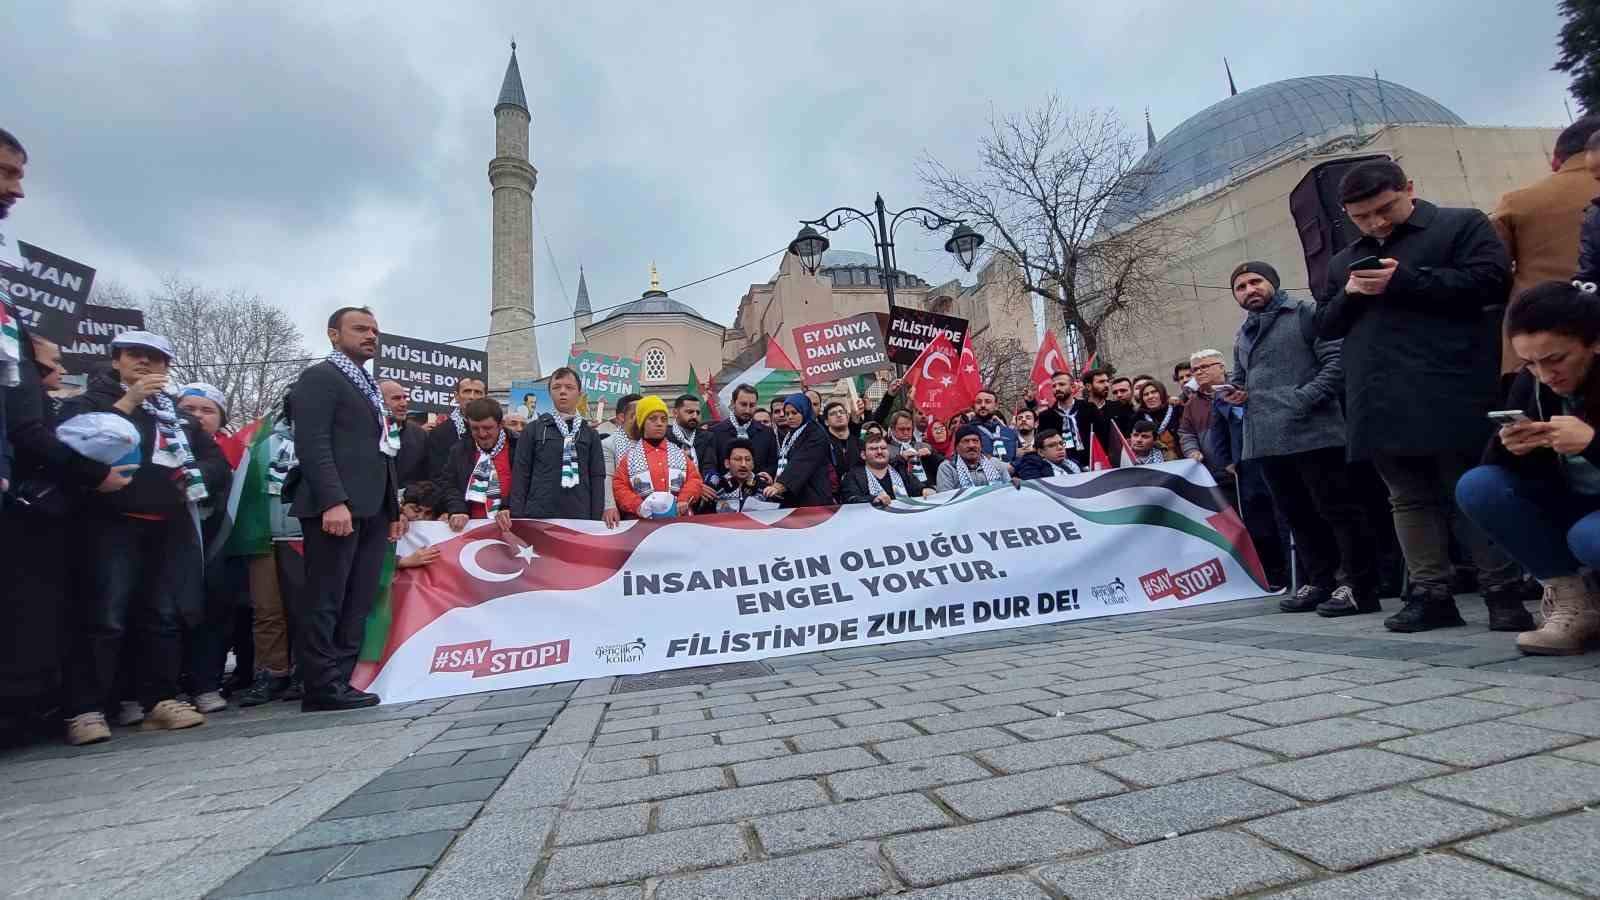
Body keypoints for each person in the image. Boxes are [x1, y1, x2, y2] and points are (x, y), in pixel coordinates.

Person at [1315, 159, 1529, 633]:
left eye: (1384, 209)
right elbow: (1324, 325)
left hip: (1449, 381)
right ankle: (1431, 594)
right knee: (1407, 498)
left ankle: (1503, 592)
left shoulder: (1461, 225)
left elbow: (1492, 282)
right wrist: (1350, 292)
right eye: (1362, 217)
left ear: (1409, 188)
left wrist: (1405, 280)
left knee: (1469, 490)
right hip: (1377, 392)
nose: (1376, 223)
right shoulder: (1343, 259)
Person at [60, 330, 230, 744]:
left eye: (156, 359)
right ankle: (86, 708)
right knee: (106, 617)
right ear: (116, 360)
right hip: (109, 523)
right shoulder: (89, 402)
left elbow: (216, 463)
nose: (145, 365)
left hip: (166, 525)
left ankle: (161, 699)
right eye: (136, 356)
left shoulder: (176, 416)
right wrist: (130, 402)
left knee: (162, 617)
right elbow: (74, 448)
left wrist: (193, 479)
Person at [1230, 261, 1381, 617]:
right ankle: (1320, 581)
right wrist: (1234, 392)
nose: (1249, 290)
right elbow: (1240, 380)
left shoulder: (1306, 313)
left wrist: (1303, 399)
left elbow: (1337, 364)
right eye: (1240, 286)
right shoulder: (1243, 333)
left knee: (1337, 511)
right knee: (1297, 515)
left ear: (1274, 282)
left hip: (1314, 433)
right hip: (1265, 439)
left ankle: (1358, 585)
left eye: (1256, 282)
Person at [0, 334, 131, 744]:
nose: (59, 371)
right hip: (31, 514)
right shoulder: (32, 401)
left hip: (53, 517)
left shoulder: (50, 403)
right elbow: (32, 437)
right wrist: (92, 473)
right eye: (49, 364)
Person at [1458, 281, 1600, 654]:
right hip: (1573, 504)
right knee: (1479, 485)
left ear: (1594, 342)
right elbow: (1495, 471)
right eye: (1530, 363)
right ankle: (1574, 603)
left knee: (1590, 537)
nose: (1545, 374)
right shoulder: (1533, 381)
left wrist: (1593, 443)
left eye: (1556, 360)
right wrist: (1511, 447)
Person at [288, 307, 402, 712]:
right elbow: (313, 444)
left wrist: (393, 508)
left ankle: (342, 677)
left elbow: (381, 451)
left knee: (359, 597)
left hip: (372, 511)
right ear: (334, 334)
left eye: (374, 330)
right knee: (327, 597)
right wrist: (333, 501)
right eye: (360, 329)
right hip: (337, 509)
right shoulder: (321, 378)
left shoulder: (367, 386)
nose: (371, 335)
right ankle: (320, 683)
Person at [1491, 116, 1600, 386]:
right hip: (1586, 344)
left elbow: (1494, 273)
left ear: (1556, 159)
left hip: (1537, 349)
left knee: (1536, 426)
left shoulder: (1517, 202)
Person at [176, 382, 246, 714]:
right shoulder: (163, 446)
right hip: (172, 543)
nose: (197, 417)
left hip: (219, 543)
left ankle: (207, 683)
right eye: (188, 409)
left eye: (207, 410)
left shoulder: (237, 453)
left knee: (215, 612)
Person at [236, 390, 302, 707]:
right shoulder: (263, 445)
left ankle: (305, 670)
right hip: (265, 537)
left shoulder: (322, 442)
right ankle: (272, 673)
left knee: (306, 610)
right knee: (267, 611)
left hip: (305, 537)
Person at [510, 367, 605, 521]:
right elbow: (521, 474)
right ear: (550, 393)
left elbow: (597, 478)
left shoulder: (590, 434)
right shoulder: (534, 429)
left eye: (569, 387)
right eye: (556, 387)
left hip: (579, 516)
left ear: (579, 394)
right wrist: (518, 516)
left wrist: (595, 519)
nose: (562, 391)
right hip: (539, 515)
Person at [614, 395, 702, 518]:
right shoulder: (630, 458)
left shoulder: (679, 453)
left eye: (663, 419)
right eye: (653, 419)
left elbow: (694, 479)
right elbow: (620, 487)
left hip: (679, 521)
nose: (659, 423)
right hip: (644, 525)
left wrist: (684, 499)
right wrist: (638, 506)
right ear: (642, 423)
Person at [441, 397, 517, 531]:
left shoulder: (519, 447)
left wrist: (509, 507)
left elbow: (526, 483)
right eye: (475, 428)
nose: (482, 434)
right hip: (471, 528)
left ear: (501, 425)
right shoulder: (459, 450)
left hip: (512, 525)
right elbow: (449, 484)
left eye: (487, 428)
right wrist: (458, 509)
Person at [761, 393, 833, 508]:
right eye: (787, 413)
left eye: (794, 413)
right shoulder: (792, 433)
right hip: (795, 496)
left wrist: (779, 486)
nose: (789, 417)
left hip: (813, 498)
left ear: (804, 411)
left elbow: (802, 462)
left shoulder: (815, 433)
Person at [709, 383, 777, 485]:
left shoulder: (767, 432)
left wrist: (765, 475)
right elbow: (711, 465)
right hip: (723, 494)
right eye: (743, 404)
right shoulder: (715, 432)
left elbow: (772, 464)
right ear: (732, 403)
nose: (748, 410)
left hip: (757, 493)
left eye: (752, 405)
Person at [424, 377, 487, 478]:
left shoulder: (497, 430)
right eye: (466, 391)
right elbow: (438, 475)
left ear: (485, 397)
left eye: (478, 392)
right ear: (456, 396)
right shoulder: (440, 433)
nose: (472, 397)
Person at [843, 432, 929, 505]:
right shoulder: (853, 475)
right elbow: (850, 499)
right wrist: (873, 499)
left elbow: (918, 488)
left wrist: (925, 490)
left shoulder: (899, 470)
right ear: (863, 455)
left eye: (883, 448)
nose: (879, 452)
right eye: (873, 449)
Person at [599, 393, 640, 529]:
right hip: (622, 513)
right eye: (638, 413)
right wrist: (609, 506)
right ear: (622, 417)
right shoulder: (608, 444)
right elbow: (607, 477)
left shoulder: (652, 442)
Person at [379, 380, 428, 486]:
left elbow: (425, 475)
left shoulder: (420, 435)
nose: (403, 404)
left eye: (405, 398)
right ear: (380, 401)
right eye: (396, 398)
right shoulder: (368, 431)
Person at [713, 438, 780, 513]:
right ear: (727, 463)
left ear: (753, 464)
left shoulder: (764, 488)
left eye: (748, 460)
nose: (743, 464)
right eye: (738, 459)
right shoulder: (716, 488)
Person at [936, 424, 1007, 491]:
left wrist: (1015, 485)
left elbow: (1008, 491)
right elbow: (946, 499)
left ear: (981, 445)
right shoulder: (948, 468)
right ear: (956, 447)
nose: (971, 445)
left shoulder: (995, 464)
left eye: (975, 441)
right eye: (966, 441)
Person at [1037, 371, 1086, 467]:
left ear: (1072, 387)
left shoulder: (1088, 408)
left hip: (1093, 463)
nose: (1057, 388)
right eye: (1054, 386)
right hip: (1062, 468)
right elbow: (1042, 444)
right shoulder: (1046, 416)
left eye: (1062, 384)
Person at [821, 400, 860, 499]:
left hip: (858, 496)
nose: (838, 415)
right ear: (826, 421)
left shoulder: (860, 443)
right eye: (833, 414)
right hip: (831, 498)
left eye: (841, 412)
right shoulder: (821, 445)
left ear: (847, 417)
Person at [970, 389, 1020, 463]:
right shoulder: (966, 432)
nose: (983, 405)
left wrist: (1014, 468)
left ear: (996, 406)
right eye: (978, 402)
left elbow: (1020, 458)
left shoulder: (1011, 433)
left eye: (987, 402)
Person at [1012, 429, 1081, 482]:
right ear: (1041, 452)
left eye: (1061, 443)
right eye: (1052, 445)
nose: (1060, 447)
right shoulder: (1031, 466)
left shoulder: (1072, 464)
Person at [1134, 381, 1180, 460]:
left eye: (1154, 392)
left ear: (1161, 393)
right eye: (1146, 394)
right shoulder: (1138, 416)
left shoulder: (1176, 408)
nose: (1150, 396)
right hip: (1153, 463)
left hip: (1183, 459)